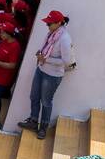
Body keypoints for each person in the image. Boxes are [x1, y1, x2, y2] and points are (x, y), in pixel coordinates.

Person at [19, 11, 76, 140]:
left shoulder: (65, 39)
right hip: (41, 69)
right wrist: (41, 55)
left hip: (52, 75)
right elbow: (45, 48)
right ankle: (33, 121)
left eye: (49, 23)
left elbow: (66, 62)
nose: (47, 26)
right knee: (34, 96)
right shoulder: (52, 33)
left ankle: (43, 127)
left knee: (46, 101)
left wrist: (46, 59)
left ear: (58, 23)